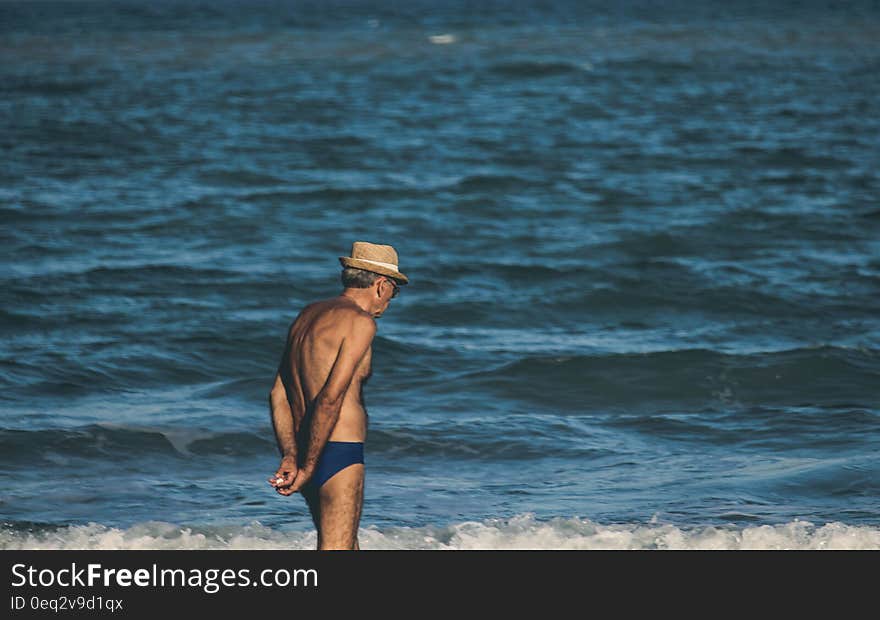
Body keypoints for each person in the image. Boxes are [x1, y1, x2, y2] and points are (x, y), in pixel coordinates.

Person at [267, 241, 408, 550]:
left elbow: (278, 393)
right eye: (395, 292)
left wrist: (292, 455)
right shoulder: (360, 322)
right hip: (337, 453)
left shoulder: (307, 315)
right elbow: (331, 398)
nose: (391, 300)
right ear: (381, 286)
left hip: (306, 447)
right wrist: (311, 466)